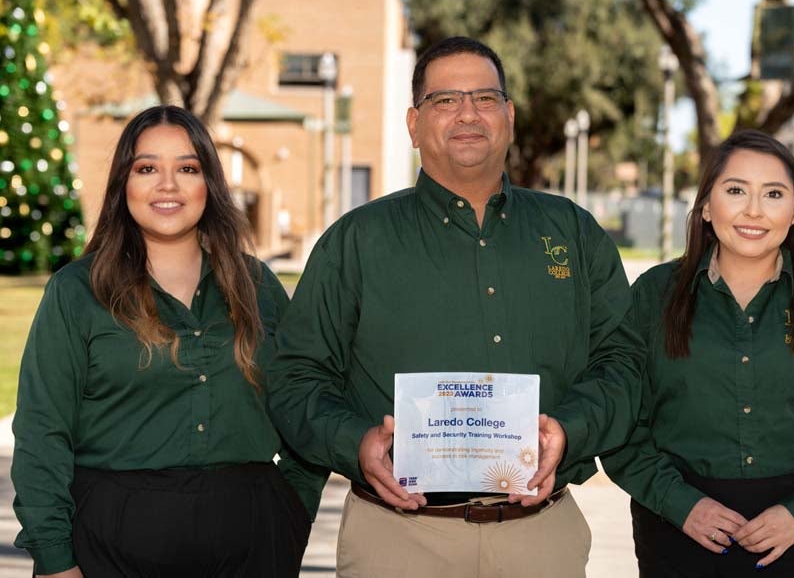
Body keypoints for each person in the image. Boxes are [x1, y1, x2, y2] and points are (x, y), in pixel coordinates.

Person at [266, 36, 643, 578]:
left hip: (540, 539)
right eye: (445, 101)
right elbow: (296, 374)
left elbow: (623, 363)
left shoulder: (575, 234)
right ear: (414, 123)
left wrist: (572, 430)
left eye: (485, 98)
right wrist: (357, 444)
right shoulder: (356, 241)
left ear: (509, 115)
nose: (468, 113)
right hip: (396, 541)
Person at [12, 105, 327, 578]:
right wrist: (56, 559)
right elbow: (42, 435)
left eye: (186, 168)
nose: (167, 185)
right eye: (147, 168)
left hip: (249, 543)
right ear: (124, 184)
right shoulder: (77, 292)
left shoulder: (257, 285)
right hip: (108, 545)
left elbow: (303, 404)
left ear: (209, 184)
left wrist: (289, 514)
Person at [602, 129, 794, 577]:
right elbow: (620, 421)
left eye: (774, 193)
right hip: (678, 538)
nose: (754, 210)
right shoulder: (653, 296)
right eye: (736, 190)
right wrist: (681, 504)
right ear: (706, 205)